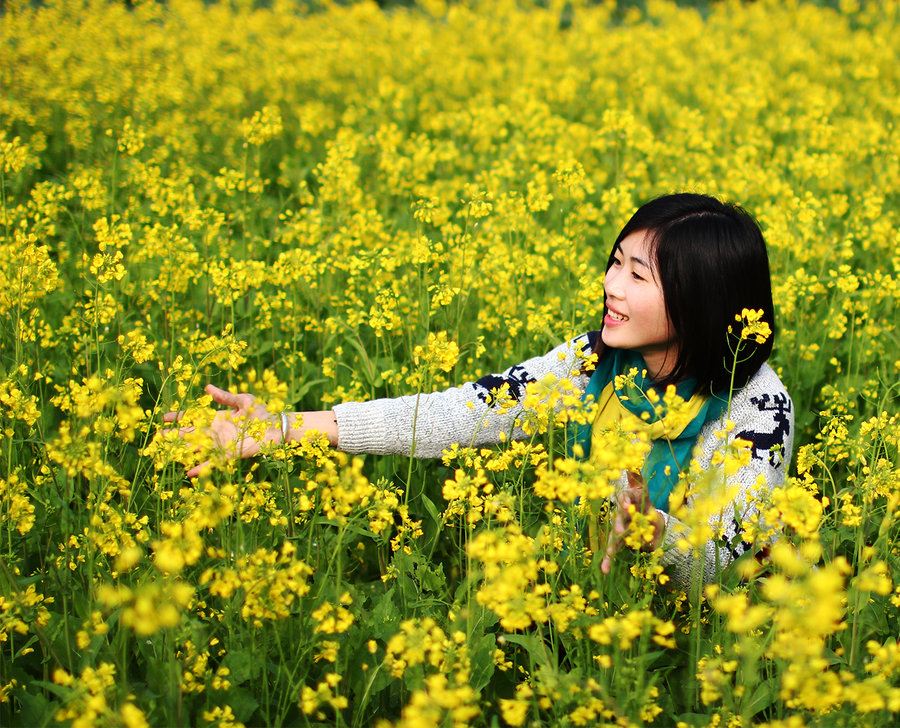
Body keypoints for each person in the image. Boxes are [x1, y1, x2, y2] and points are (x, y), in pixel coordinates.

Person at [164, 193, 794, 589]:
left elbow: (730, 559)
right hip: (587, 605)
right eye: (614, 261)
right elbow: (459, 413)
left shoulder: (758, 407)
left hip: (710, 656)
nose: (611, 285)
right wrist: (281, 429)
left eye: (637, 274)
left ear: (701, 299)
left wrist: (652, 531)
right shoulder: (593, 359)